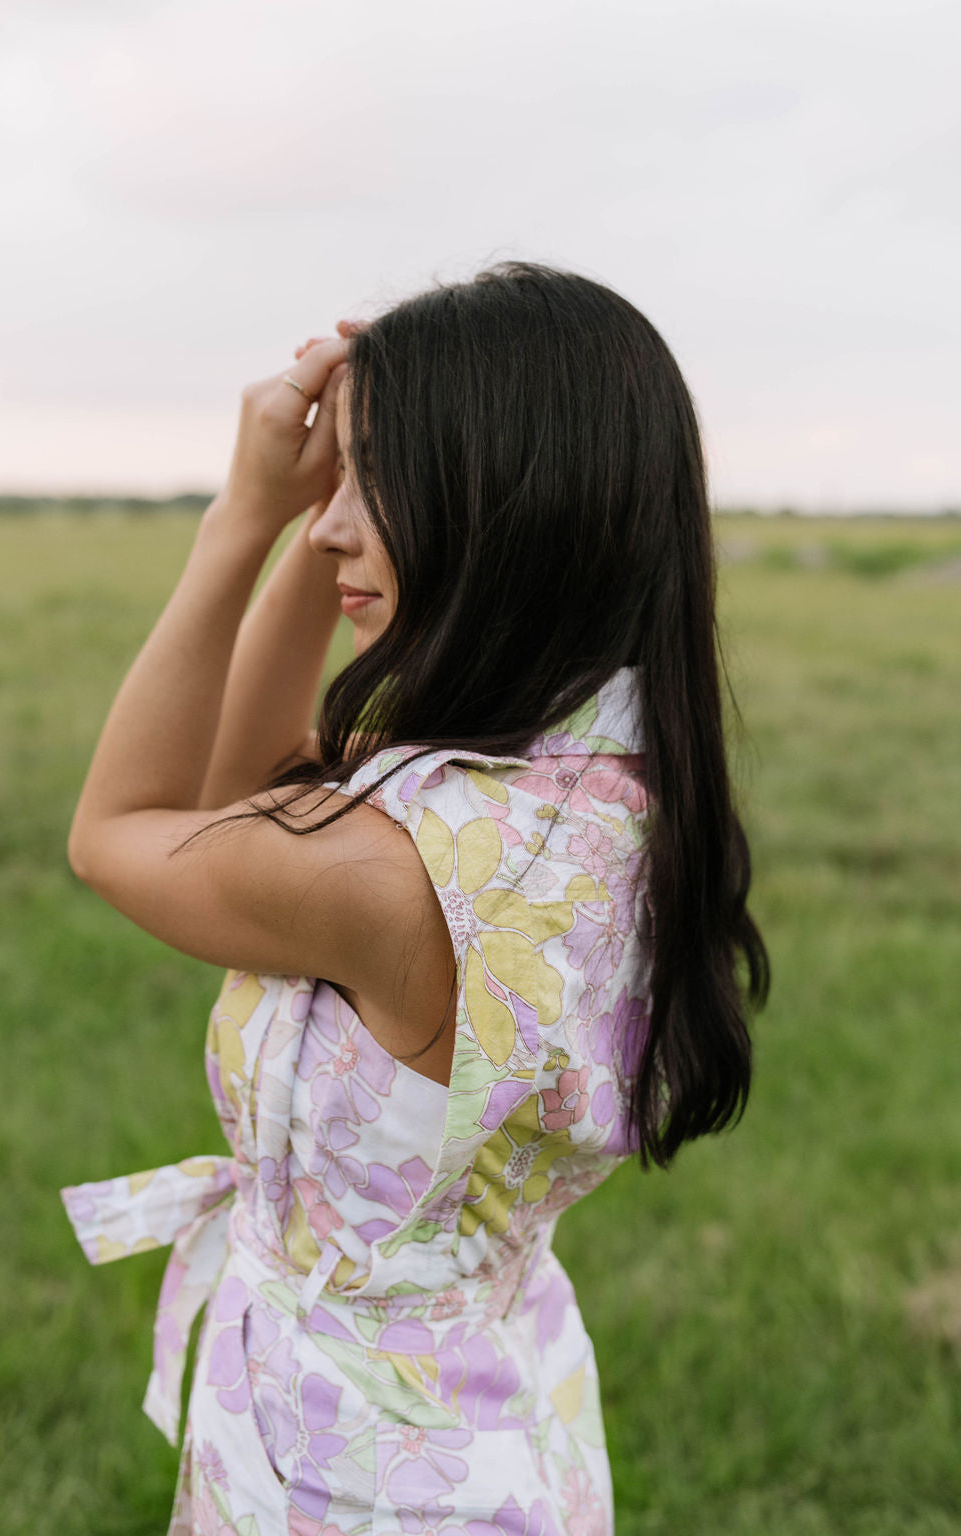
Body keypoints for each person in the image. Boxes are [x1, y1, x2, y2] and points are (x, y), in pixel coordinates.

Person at [61, 261, 769, 1536]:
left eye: (374, 478)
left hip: (348, 1476)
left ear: (506, 502)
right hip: (503, 1426)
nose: (334, 522)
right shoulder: (604, 801)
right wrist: (326, 518)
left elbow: (124, 830)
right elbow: (255, 802)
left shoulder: (380, 872)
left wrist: (247, 513)